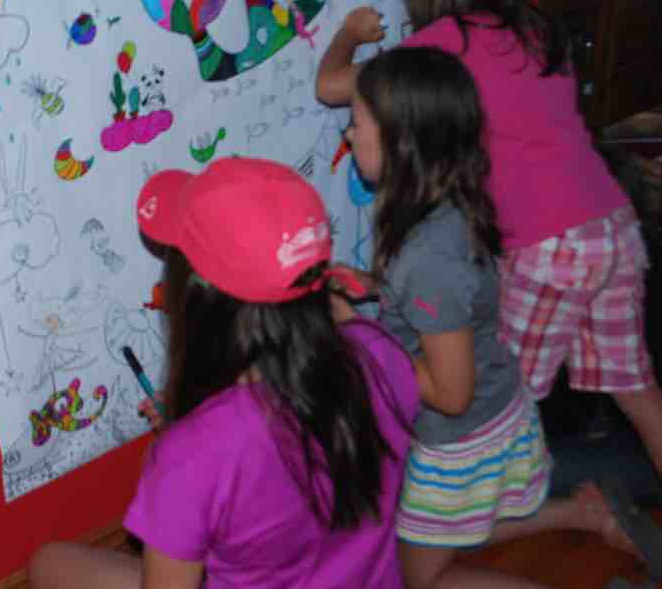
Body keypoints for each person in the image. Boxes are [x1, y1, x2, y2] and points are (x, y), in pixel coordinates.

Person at [316, 0, 662, 567]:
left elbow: (333, 87)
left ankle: (474, 521)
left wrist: (348, 33)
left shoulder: (445, 44)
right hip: (612, 225)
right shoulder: (538, 33)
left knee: (496, 413)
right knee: (636, 386)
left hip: (549, 246)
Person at [331, 45, 662, 589]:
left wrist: (356, 330)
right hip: (491, 406)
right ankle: (582, 512)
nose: (349, 135)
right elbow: (452, 301)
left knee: (422, 577)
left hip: (459, 435)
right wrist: (378, 289)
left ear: (401, 142)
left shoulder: (428, 257)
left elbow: (451, 394)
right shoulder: (443, 207)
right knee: (439, 531)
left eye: (356, 123)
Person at [26, 156, 420, 589]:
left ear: (200, 305)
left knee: (48, 564)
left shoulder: (194, 454)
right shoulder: (381, 354)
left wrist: (186, 445)